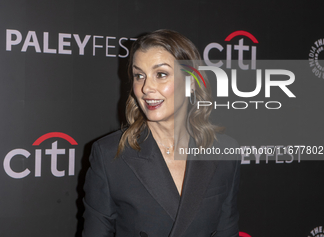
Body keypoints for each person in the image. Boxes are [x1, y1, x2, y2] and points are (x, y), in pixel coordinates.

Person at [82, 29, 240, 237]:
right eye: (139, 76)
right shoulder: (110, 155)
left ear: (192, 82)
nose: (146, 87)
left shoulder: (225, 151)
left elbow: (226, 231)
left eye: (161, 74)